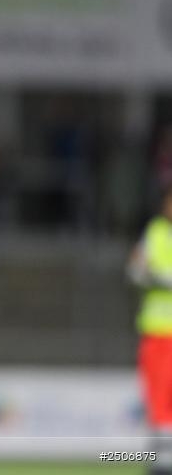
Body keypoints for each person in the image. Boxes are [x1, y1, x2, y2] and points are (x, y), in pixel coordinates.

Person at [128, 186, 172, 475]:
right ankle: (162, 462)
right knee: (159, 398)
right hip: (159, 333)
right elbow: (135, 270)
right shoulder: (155, 233)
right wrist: (160, 278)